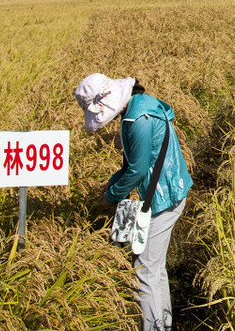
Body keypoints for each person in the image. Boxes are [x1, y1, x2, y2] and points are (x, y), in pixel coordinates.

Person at [75, 73, 192, 331]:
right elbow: (135, 162)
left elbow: (138, 170)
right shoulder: (141, 104)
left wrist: (110, 196)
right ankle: (163, 324)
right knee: (155, 268)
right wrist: (114, 181)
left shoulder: (136, 118)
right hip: (169, 190)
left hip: (162, 197)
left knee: (143, 271)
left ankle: (154, 327)